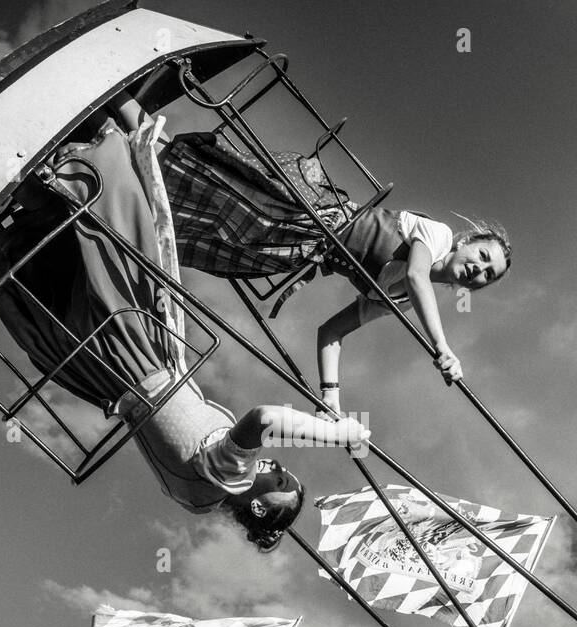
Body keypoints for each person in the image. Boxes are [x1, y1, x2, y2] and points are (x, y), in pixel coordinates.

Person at [0, 121, 369, 551]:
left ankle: (70, 164)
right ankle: (19, 181)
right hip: (112, 377)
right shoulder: (195, 501)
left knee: (120, 242)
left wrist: (338, 435)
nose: (276, 465)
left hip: (140, 357)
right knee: (86, 263)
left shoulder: (230, 477)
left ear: (257, 506)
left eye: (278, 477)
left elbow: (264, 419)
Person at [113, 95, 510, 418]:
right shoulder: (436, 235)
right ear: (466, 241)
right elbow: (418, 275)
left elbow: (331, 333)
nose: (479, 269)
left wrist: (331, 397)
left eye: (486, 276)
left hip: (296, 248)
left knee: (192, 225)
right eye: (482, 255)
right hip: (308, 212)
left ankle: (113, 186)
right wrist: (443, 347)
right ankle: (119, 103)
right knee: (211, 177)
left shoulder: (399, 303)